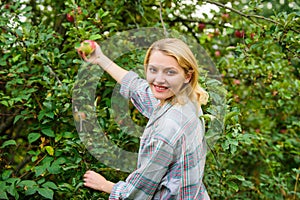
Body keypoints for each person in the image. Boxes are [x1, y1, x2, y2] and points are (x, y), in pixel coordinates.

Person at [79, 38, 210, 199]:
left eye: (170, 72)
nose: (159, 79)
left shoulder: (167, 129)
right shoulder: (187, 98)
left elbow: (138, 194)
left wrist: (106, 185)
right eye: (153, 70)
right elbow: (137, 87)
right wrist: (100, 59)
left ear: (187, 76)